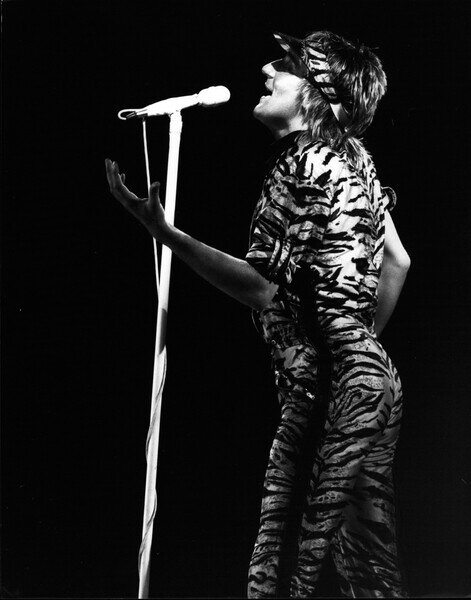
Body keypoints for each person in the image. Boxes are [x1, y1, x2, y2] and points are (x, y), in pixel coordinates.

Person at [105, 29, 410, 598]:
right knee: (370, 572)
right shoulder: (354, 159)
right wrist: (361, 350)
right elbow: (398, 262)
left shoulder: (301, 163)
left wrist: (165, 233)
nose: (269, 68)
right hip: (368, 385)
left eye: (290, 64)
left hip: (330, 388)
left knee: (283, 569)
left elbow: (263, 288)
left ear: (323, 97)